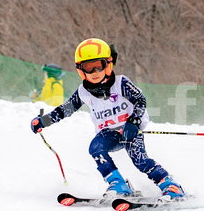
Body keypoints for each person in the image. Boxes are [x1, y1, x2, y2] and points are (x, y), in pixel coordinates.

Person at [30, 38, 185, 199]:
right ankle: (118, 184)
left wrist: (134, 122)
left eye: (99, 65)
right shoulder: (83, 92)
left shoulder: (121, 83)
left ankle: (170, 185)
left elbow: (140, 100)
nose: (95, 72)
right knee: (95, 147)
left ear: (108, 64)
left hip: (130, 130)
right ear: (80, 70)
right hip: (108, 134)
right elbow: (65, 110)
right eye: (89, 67)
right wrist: (44, 121)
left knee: (140, 160)